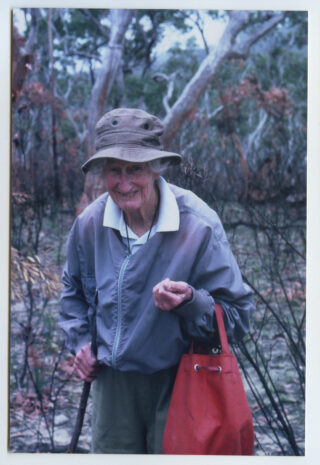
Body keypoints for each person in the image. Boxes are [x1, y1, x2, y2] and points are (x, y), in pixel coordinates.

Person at [59, 107, 255, 454]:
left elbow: (238, 316)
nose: (124, 183)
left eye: (135, 169)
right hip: (113, 387)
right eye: (114, 171)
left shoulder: (197, 225)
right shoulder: (89, 225)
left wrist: (192, 302)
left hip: (181, 379)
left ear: (155, 168)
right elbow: (73, 292)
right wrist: (80, 344)